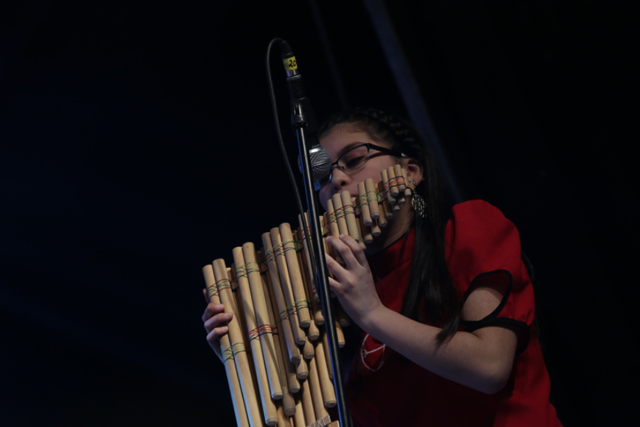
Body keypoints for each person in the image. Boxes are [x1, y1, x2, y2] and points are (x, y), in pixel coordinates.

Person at [203, 107, 563, 426]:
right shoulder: (325, 293)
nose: (337, 181)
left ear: (409, 171)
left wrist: (371, 313)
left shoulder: (467, 228)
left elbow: (489, 368)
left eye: (354, 160)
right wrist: (254, 364)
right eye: (322, 178)